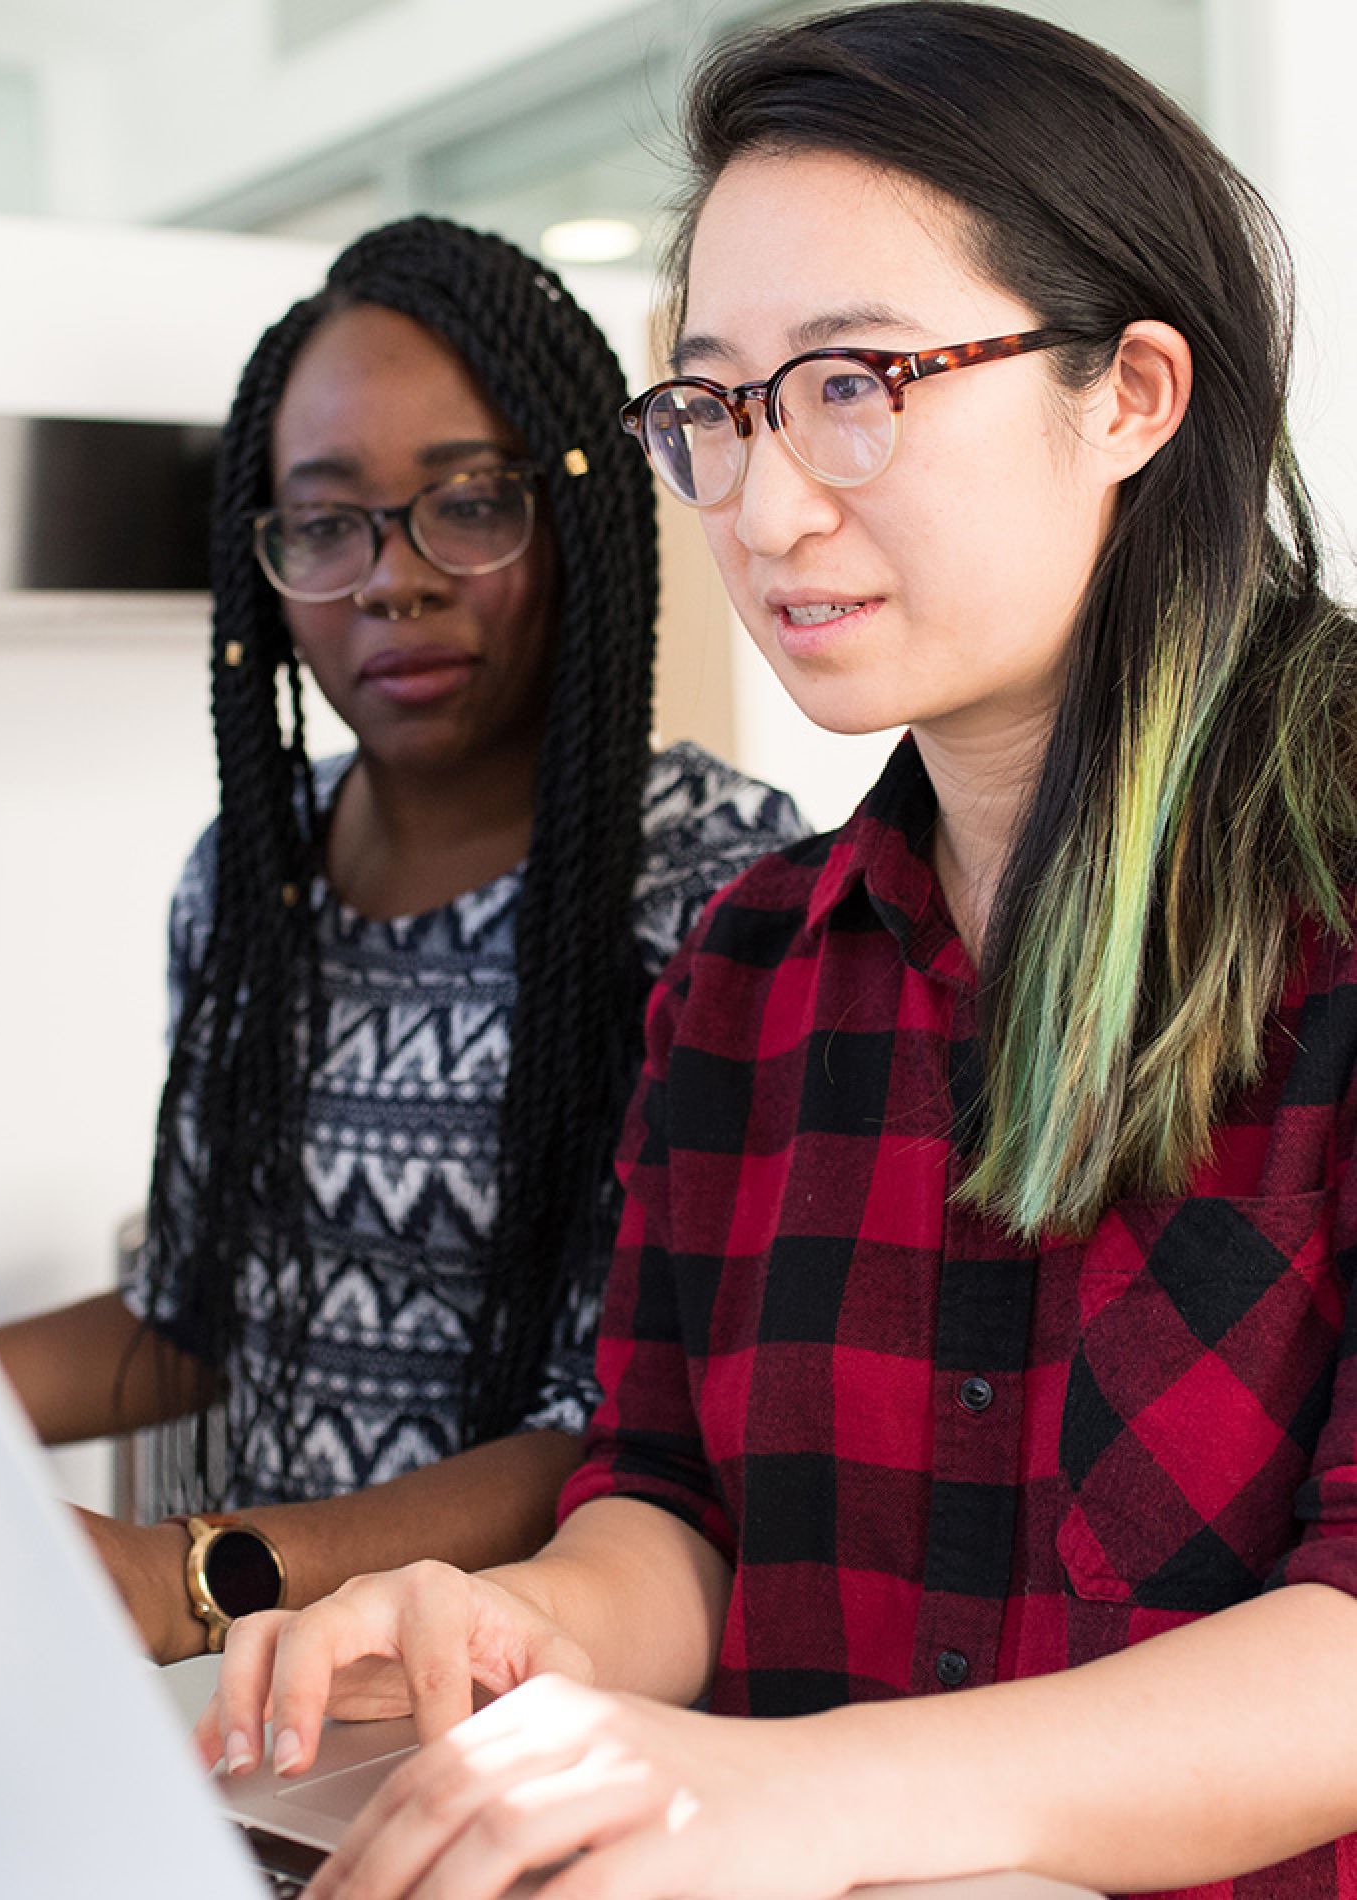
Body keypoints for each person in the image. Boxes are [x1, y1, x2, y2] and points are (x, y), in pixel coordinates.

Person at [200, 8, 1357, 1896]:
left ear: (1133, 392)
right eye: (720, 405)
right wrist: (532, 1637)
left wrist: (800, 1795)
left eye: (856, 382)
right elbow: (672, 1505)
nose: (764, 500)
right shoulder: (752, 967)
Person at [0, 218, 801, 1665]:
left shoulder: (714, 889)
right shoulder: (251, 878)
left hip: (558, 1707)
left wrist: (197, 1578)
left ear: (579, 516)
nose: (394, 578)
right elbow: (196, 1306)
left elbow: (628, 1429)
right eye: (326, 523)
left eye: (469, 504)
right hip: (284, 1712)